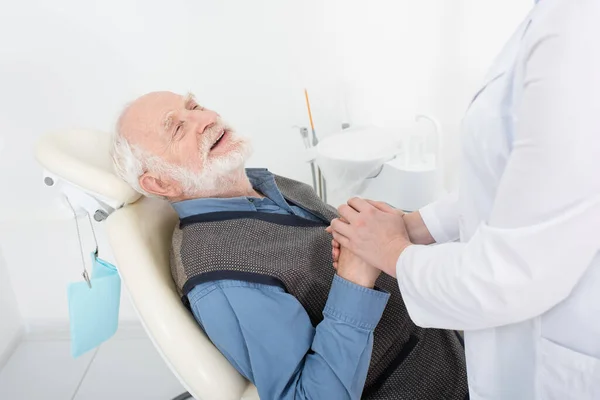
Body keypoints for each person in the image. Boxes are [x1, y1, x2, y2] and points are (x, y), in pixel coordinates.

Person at [110, 91, 469, 399]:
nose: (205, 118)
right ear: (161, 185)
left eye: (194, 106)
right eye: (177, 128)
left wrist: (394, 230)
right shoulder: (223, 278)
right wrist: (355, 281)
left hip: (449, 341)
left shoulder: (262, 185)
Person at [328, 1, 600, 399]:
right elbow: (515, 175)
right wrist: (413, 226)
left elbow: (514, 274)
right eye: (195, 106)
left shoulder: (580, 26)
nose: (204, 115)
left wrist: (392, 250)